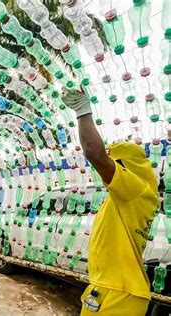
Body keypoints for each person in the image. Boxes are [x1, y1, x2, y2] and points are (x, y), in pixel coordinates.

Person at [62, 89, 158, 315]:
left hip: (120, 292)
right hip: (113, 287)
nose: (105, 171)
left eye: (114, 163)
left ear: (128, 167)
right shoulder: (129, 197)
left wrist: (83, 112)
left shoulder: (134, 190)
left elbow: (95, 154)